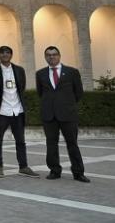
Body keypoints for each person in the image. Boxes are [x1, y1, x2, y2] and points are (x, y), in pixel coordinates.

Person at [36, 46, 89, 183]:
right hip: (49, 115)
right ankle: (54, 170)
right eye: (48, 55)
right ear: (45, 57)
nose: (51, 57)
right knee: (51, 144)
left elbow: (78, 93)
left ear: (59, 56)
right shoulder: (40, 73)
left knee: (72, 144)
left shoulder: (72, 72)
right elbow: (41, 93)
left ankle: (78, 172)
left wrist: (66, 105)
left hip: (68, 115)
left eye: (54, 54)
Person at [0, 45, 39, 178]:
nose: (5, 55)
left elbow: (21, 88)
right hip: (2, 111)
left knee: (20, 140)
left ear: (11, 55)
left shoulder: (19, 70)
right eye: (2, 53)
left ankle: (23, 166)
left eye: (8, 52)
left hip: (17, 111)